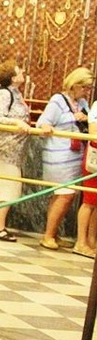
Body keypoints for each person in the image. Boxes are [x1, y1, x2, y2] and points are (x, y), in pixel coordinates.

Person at [37, 67, 94, 251]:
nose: (86, 91)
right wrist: (47, 127)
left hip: (76, 155)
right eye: (84, 87)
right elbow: (44, 122)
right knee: (65, 195)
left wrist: (84, 117)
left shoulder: (83, 102)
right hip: (59, 155)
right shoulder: (57, 100)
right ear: (75, 84)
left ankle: (53, 232)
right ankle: (48, 235)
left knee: (62, 195)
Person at [0, 60, 31, 242]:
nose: (23, 72)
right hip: (1, 148)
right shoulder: (4, 94)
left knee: (2, 186)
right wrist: (17, 122)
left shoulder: (16, 94)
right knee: (9, 185)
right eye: (20, 70)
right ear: (12, 76)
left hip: (12, 150)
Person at [77, 102, 97, 258]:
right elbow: (93, 131)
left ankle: (91, 241)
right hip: (94, 160)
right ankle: (81, 242)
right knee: (89, 201)